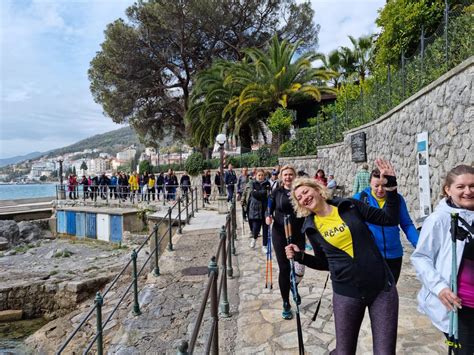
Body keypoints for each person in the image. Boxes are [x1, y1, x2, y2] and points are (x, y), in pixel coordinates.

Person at [286, 158, 401, 354]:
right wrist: (300, 257)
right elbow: (324, 262)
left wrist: (390, 186)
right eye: (299, 198)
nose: (304, 197)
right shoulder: (311, 227)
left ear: (316, 188)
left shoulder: (349, 205)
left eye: (305, 191)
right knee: (344, 351)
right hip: (347, 293)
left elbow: (389, 219)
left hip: (381, 288)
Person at [411, 165, 474, 355]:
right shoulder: (439, 219)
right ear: (448, 189)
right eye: (461, 187)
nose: (468, 191)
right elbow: (421, 258)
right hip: (459, 303)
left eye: (472, 186)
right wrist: (440, 288)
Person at [354, 168, 419, 283]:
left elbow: (407, 224)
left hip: (393, 255)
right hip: (370, 256)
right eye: (376, 186)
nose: (380, 190)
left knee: (390, 294)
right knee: (372, 295)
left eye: (383, 186)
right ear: (370, 184)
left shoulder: (397, 199)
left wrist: (420, 244)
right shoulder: (360, 199)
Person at [266, 165, 306, 319]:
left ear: (294, 176)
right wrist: (268, 216)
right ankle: (286, 302)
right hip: (279, 233)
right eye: (285, 174)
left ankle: (293, 285)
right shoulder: (277, 192)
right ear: (282, 176)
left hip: (298, 232)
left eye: (291, 174)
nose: (288, 177)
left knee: (300, 267)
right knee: (284, 268)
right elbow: (269, 207)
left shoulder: (300, 191)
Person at [242, 169, 270, 251]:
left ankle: (264, 245)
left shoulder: (267, 183)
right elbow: (254, 194)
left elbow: (266, 193)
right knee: (256, 228)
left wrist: (259, 192)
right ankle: (254, 239)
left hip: (265, 208)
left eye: (262, 175)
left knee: (265, 228)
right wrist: (260, 193)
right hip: (255, 208)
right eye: (259, 175)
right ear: (256, 176)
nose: (261, 177)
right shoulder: (253, 183)